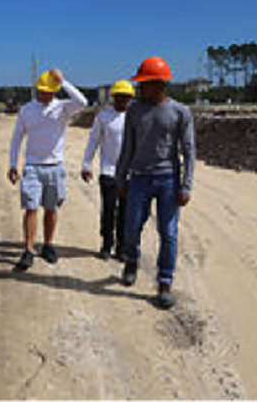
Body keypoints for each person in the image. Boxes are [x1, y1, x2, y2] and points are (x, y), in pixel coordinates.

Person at [115, 56, 195, 310]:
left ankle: (164, 281)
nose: (139, 89)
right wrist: (121, 177)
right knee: (131, 227)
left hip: (168, 179)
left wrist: (186, 185)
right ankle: (131, 260)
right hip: (139, 177)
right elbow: (128, 146)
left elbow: (189, 151)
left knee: (168, 233)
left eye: (144, 84)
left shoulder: (180, 113)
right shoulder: (135, 111)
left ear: (159, 84)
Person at [8, 68, 88, 271]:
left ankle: (48, 245)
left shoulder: (62, 108)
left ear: (55, 91)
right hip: (33, 166)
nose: (45, 94)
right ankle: (28, 249)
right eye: (42, 91)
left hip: (55, 166)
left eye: (49, 91)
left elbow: (83, 102)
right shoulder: (26, 110)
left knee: (51, 209)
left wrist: (64, 81)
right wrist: (12, 164)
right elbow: (17, 138)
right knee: (31, 208)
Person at [81, 80, 135, 261]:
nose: (122, 100)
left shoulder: (135, 117)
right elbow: (93, 141)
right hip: (108, 171)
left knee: (126, 212)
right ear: (114, 97)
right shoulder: (103, 117)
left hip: (130, 173)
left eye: (126, 97)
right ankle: (106, 243)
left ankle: (121, 247)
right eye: (119, 96)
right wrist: (86, 164)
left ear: (130, 98)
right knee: (109, 210)